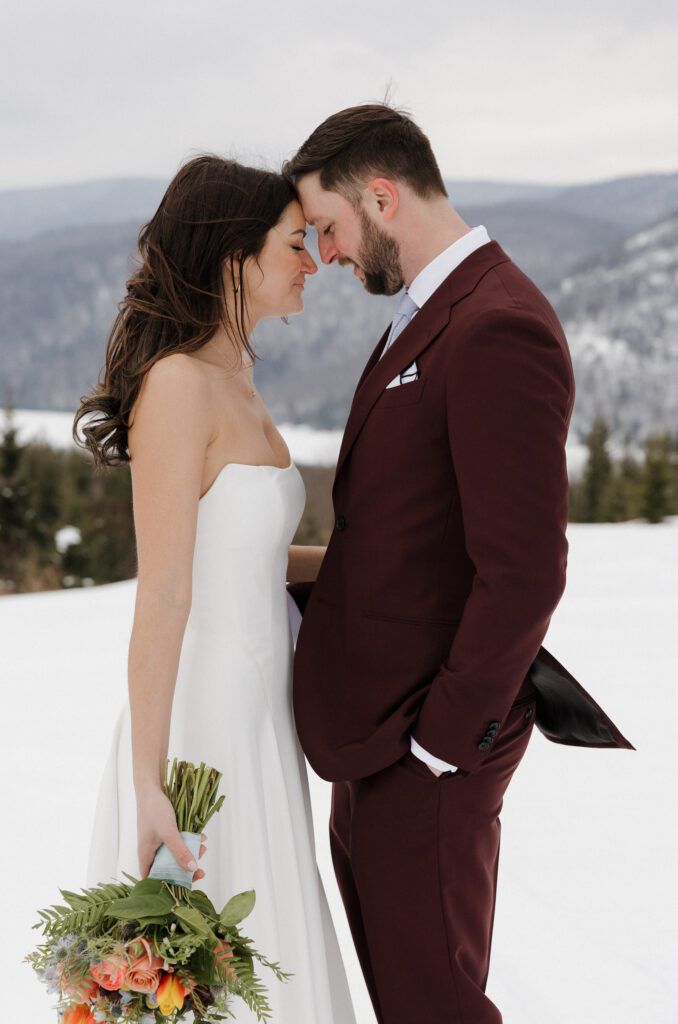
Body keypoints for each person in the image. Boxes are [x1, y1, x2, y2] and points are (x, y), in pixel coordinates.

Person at [283, 104, 633, 1024]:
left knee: (435, 1009)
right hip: (379, 737)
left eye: (327, 227)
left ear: (382, 197)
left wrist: (439, 747)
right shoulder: (426, 312)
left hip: (428, 748)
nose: (324, 254)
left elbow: (524, 570)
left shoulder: (497, 325)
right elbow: (406, 537)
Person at [74, 155, 356, 1024]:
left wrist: (385, 565)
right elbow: (164, 593)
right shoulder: (177, 386)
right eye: (294, 244)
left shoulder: (238, 376)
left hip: (265, 714)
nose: (312, 262)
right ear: (235, 258)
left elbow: (249, 559)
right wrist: (149, 782)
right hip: (207, 724)